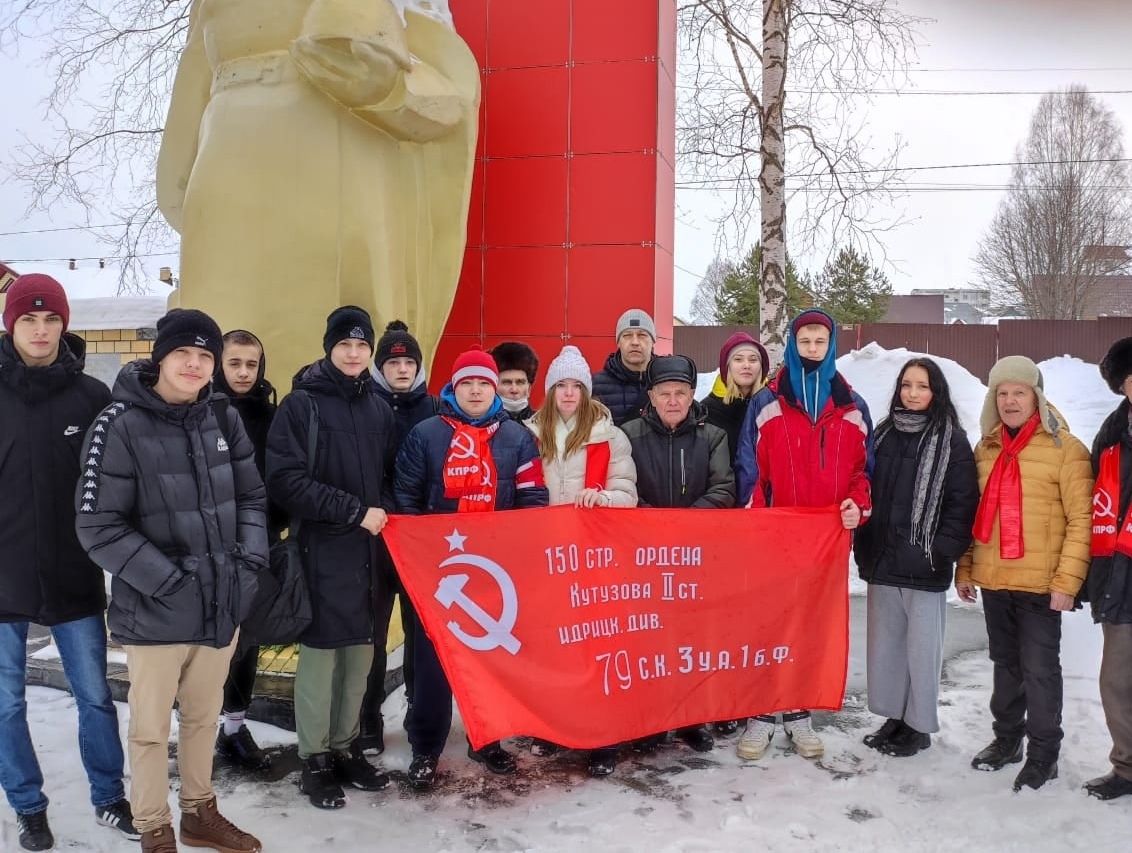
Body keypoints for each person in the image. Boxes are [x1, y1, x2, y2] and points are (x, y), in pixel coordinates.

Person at [157, 0, 480, 386]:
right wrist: (182, 185)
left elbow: (445, 86)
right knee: (221, 329)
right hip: (227, 159)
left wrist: (387, 85)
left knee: (342, 326)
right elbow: (193, 86)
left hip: (338, 152)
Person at [75, 308, 266, 853]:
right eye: (184, 353)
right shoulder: (119, 422)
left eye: (205, 356)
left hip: (222, 601)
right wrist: (171, 581)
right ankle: (154, 825)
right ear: (161, 357)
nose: (194, 364)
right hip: (157, 608)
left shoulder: (223, 418)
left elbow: (252, 497)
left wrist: (248, 565)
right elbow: (97, 524)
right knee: (152, 729)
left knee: (205, 718)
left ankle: (200, 812)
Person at [0, 274, 136, 852]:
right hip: (1, 579)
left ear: (64, 324)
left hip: (75, 575)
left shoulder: (92, 399)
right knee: (7, 704)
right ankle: (28, 806)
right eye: (29, 320)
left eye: (50, 319)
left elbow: (118, 484)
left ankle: (109, 795)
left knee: (95, 695)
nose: (40, 329)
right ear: (10, 324)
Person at [394, 347, 549, 790]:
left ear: (495, 387)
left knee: (491, 662)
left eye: (484, 383)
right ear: (454, 388)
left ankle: (488, 739)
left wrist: (518, 549)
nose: (477, 390)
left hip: (494, 572)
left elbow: (532, 498)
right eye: (468, 383)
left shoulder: (517, 438)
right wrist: (422, 553)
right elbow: (405, 499)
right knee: (432, 663)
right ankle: (426, 747)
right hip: (438, 573)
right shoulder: (426, 434)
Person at [266, 306, 397, 809]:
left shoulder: (378, 408)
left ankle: (345, 750)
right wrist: (354, 512)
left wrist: (386, 513)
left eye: (362, 346)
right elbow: (285, 481)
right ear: (329, 347)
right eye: (345, 344)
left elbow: (388, 476)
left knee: (359, 657)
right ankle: (314, 759)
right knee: (321, 662)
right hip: (321, 550)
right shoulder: (302, 406)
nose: (353, 353)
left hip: (370, 553)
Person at [734, 308, 872, 761]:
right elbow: (750, 469)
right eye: (805, 341)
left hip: (826, 540)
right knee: (769, 623)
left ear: (831, 346)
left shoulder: (851, 405)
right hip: (776, 536)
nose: (812, 349)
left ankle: (797, 713)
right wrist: (757, 517)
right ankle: (760, 714)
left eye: (820, 341)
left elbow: (863, 471)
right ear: (793, 344)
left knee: (811, 628)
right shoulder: (768, 401)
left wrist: (857, 504)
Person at [955, 355, 1092, 792]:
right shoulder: (986, 448)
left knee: (1039, 671)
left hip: (1040, 585)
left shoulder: (1065, 450)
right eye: (1002, 392)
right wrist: (966, 568)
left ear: (1038, 396)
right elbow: (973, 515)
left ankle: (1043, 756)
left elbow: (1081, 521)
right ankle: (1006, 740)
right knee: (1005, 667)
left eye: (1020, 391)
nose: (1011, 400)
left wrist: (1066, 583)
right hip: (995, 581)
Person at [854, 358, 979, 757]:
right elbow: (865, 489)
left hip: (925, 563)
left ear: (935, 392)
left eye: (922, 386)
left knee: (921, 652)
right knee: (887, 647)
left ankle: (919, 726)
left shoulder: (951, 440)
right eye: (906, 385)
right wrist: (864, 542)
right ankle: (894, 716)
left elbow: (963, 504)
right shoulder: (883, 434)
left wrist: (941, 550)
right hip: (883, 560)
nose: (912, 393)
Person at [525, 345, 638, 776]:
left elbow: (628, 497)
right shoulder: (529, 433)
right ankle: (552, 727)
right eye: (561, 386)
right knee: (551, 648)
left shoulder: (610, 436)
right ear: (550, 391)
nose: (569, 394)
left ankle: (601, 735)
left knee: (595, 649)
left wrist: (605, 497)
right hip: (545, 558)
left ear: (587, 392)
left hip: (594, 561)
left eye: (577, 386)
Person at [622, 354, 736, 754]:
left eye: (681, 393)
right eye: (665, 393)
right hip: (646, 556)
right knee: (648, 641)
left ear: (692, 395)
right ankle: (649, 720)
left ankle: (689, 719)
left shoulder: (713, 436)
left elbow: (724, 488)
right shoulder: (629, 434)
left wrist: (686, 526)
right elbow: (623, 490)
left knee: (690, 642)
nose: (673, 401)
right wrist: (656, 526)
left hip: (695, 556)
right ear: (651, 396)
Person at [358, 320, 437, 753]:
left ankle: (415, 707)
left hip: (420, 539)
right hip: (374, 535)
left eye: (409, 361)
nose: (402, 369)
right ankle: (368, 716)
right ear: (381, 367)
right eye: (393, 362)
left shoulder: (436, 407)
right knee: (371, 631)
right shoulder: (365, 405)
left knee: (419, 632)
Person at [213, 329, 284, 772]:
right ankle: (198, 726)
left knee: (246, 643)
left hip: (259, 544)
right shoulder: (199, 410)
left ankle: (234, 730)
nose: (243, 372)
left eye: (251, 364)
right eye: (234, 363)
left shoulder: (272, 416)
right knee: (205, 646)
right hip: (204, 546)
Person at [1084, 337, 1132, 800]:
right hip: (1121, 577)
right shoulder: (1112, 437)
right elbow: (1095, 506)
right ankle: (1127, 768)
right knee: (1117, 680)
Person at [700, 331, 770, 470]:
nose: (746, 365)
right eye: (738, 359)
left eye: (753, 360)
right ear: (727, 366)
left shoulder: (772, 406)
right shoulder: (706, 411)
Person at [592, 308, 656, 427]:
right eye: (627, 335)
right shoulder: (595, 386)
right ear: (618, 342)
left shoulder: (665, 381)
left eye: (642, 335)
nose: (635, 342)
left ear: (653, 341)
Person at [489, 341, 540, 422]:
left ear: (529, 389)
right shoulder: (483, 427)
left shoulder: (544, 425)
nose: (514, 390)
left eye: (520, 382)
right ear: (493, 388)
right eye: (507, 382)